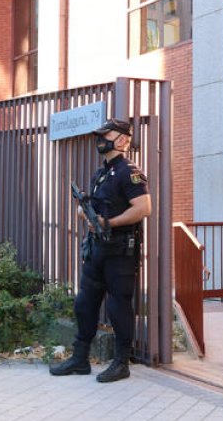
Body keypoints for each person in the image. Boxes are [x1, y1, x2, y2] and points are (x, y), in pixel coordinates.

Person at [50, 119, 151, 383]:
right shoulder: (101, 173)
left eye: (105, 134)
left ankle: (121, 363)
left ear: (123, 140)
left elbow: (143, 208)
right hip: (97, 250)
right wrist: (86, 212)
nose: (100, 139)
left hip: (120, 253)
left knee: (118, 306)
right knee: (85, 304)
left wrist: (109, 223)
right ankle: (80, 358)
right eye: (99, 135)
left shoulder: (130, 171)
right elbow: (93, 207)